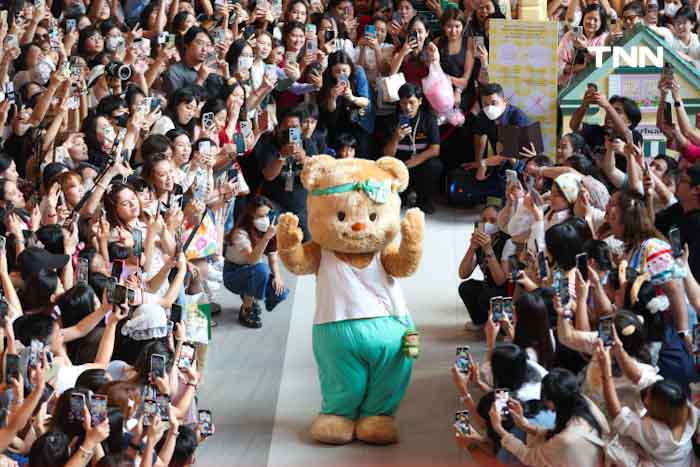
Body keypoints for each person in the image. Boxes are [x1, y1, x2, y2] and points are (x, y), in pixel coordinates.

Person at [223, 196, 289, 328]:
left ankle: (251, 295)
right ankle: (246, 308)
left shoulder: (268, 230)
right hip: (233, 274)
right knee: (261, 270)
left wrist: (277, 277)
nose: (264, 219)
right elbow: (252, 259)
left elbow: (273, 258)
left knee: (281, 293)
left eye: (267, 215)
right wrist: (266, 238)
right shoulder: (240, 233)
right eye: (259, 216)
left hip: (252, 272)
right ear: (250, 215)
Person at [383, 83, 442, 213]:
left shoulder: (429, 119)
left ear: (420, 101)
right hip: (399, 164)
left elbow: (435, 149)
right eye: (403, 103)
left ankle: (423, 200)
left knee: (435, 165)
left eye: (411, 102)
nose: (407, 107)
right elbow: (386, 155)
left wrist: (414, 162)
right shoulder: (391, 121)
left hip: (420, 163)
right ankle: (402, 196)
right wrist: (396, 138)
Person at [458, 205, 508, 330]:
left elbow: (500, 281)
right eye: (483, 220)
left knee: (488, 295)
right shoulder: (480, 241)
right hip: (489, 286)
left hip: (505, 291)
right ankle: (480, 322)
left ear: (500, 222)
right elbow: (463, 273)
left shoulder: (506, 241)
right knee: (466, 287)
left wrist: (488, 249)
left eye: (492, 220)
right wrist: (472, 247)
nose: (487, 224)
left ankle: (502, 327)